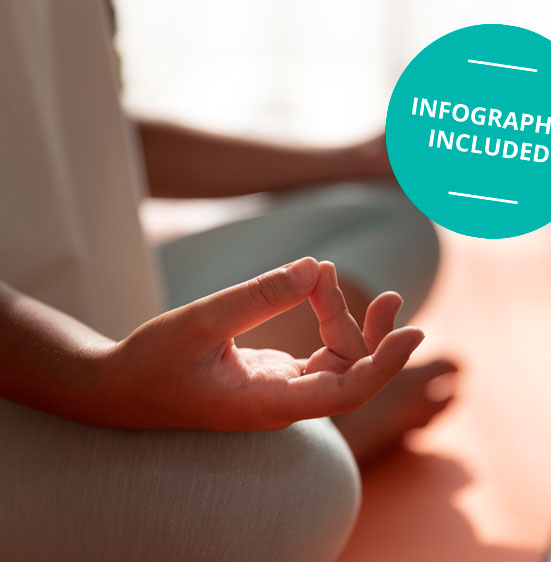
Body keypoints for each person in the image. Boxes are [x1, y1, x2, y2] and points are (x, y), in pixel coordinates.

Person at [0, 1, 456, 560]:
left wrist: (352, 158)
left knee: (394, 221)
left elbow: (98, 138)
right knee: (302, 487)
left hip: (100, 294)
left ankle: (220, 402)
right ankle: (329, 429)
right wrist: (100, 378)